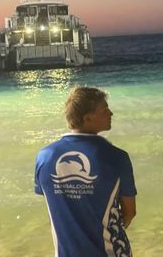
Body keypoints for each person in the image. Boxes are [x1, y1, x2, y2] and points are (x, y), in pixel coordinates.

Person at [34, 86, 137, 257]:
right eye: (104, 110)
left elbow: (58, 203)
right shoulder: (116, 157)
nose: (111, 113)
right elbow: (130, 212)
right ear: (87, 118)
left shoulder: (44, 156)